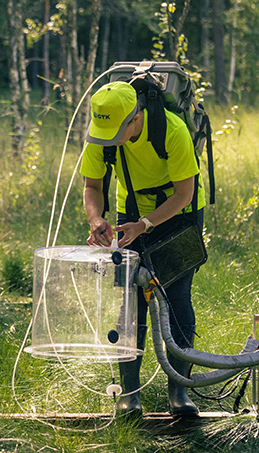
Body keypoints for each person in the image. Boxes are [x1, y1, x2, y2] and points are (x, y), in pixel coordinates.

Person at [80, 80, 206, 419]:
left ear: (135, 118)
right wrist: (96, 219)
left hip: (179, 213)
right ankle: (129, 394)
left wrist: (146, 225)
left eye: (116, 131)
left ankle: (179, 390)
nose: (108, 139)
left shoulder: (172, 130)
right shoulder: (101, 135)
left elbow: (184, 194)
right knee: (132, 302)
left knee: (176, 296)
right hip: (130, 211)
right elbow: (92, 185)